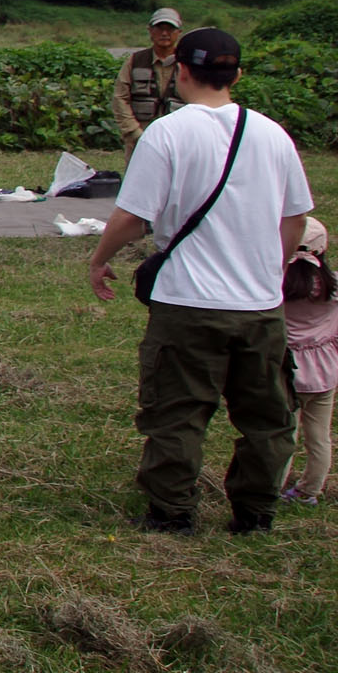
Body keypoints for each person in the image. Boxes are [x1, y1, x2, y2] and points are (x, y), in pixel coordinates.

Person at [86, 28, 313, 536]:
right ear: (236, 75)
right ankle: (256, 514)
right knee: (269, 418)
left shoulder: (165, 134)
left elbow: (132, 217)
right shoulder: (274, 134)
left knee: (177, 413)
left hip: (186, 303)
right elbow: (294, 219)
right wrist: (268, 271)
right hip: (260, 308)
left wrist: (100, 259)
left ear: (180, 71)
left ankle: (172, 515)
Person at [283, 217, 335, 506]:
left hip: (288, 370)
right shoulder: (333, 287)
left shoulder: (277, 287)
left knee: (284, 435)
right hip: (325, 372)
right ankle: (309, 491)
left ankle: (272, 486)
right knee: (319, 437)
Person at [113, 7, 186, 161]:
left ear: (179, 32)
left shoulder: (188, 64)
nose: (164, 33)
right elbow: (120, 98)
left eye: (170, 29)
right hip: (139, 136)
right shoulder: (135, 61)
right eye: (159, 28)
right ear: (150, 31)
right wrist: (134, 132)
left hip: (179, 139)